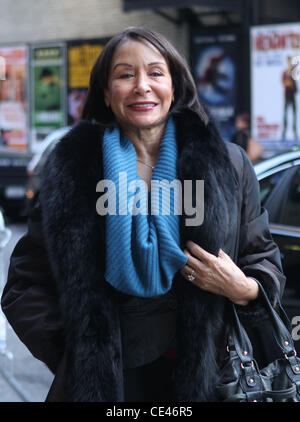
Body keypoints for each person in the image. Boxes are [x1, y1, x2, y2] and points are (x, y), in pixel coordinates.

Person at [1, 27, 285, 402]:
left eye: (155, 73)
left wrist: (243, 288)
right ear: (105, 91)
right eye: (124, 75)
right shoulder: (74, 169)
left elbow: (263, 258)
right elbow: (24, 285)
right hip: (111, 386)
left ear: (175, 85)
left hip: (210, 379)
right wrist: (79, 353)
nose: (141, 86)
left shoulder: (226, 165)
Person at [282, 56, 298, 140]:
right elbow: (283, 82)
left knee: (294, 113)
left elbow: (295, 85)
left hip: (292, 95)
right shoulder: (285, 72)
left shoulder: (293, 73)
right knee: (285, 113)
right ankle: (284, 131)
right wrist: (288, 83)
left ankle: (294, 130)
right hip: (287, 95)